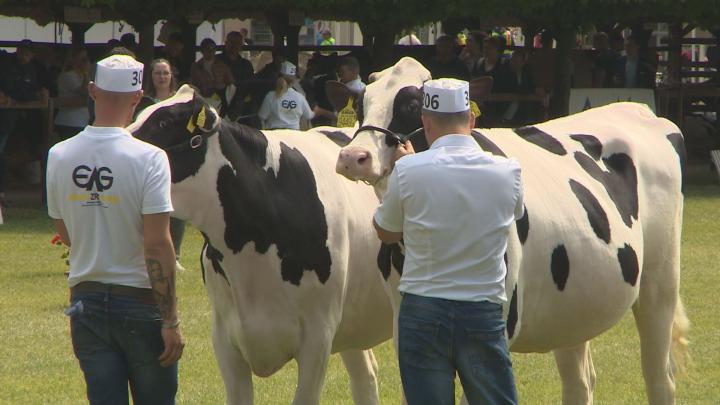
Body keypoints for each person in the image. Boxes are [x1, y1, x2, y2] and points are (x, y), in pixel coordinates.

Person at [373, 78, 521, 405]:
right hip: (482, 307)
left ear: (425, 123)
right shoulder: (508, 171)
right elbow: (514, 214)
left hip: (423, 307)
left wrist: (403, 169)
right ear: (471, 119)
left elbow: (385, 231)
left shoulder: (408, 170)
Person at [46, 54, 184, 404]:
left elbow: (65, 229)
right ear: (138, 98)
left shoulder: (59, 155)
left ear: (92, 90)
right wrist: (170, 320)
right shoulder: (150, 158)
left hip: (87, 299)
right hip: (139, 300)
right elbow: (157, 244)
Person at [135, 59, 187, 272]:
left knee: (176, 205)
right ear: (152, 76)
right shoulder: (144, 102)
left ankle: (175, 255)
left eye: (165, 73)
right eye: (158, 73)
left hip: (174, 159)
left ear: (171, 76)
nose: (162, 77)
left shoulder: (180, 101)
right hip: (148, 158)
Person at [0, 39, 50, 207]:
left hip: (20, 118)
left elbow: (30, 90)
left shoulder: (32, 69)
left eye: (27, 53)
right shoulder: (6, 66)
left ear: (32, 55)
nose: (24, 55)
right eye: (21, 51)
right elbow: (13, 89)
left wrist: (39, 94)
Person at [258, 61, 314, 130]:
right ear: (294, 80)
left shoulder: (270, 96)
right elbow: (309, 115)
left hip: (274, 136)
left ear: (278, 77)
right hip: (294, 136)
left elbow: (262, 116)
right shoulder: (300, 97)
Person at [54, 48, 90, 140]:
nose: (86, 62)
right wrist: (86, 73)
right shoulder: (67, 76)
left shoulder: (81, 76)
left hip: (81, 122)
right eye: (83, 59)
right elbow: (84, 92)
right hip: (69, 122)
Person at [190, 38, 234, 110]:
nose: (211, 52)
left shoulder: (222, 65)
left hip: (220, 96)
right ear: (202, 51)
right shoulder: (195, 66)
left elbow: (231, 82)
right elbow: (193, 84)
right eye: (207, 50)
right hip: (202, 97)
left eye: (213, 50)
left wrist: (221, 86)